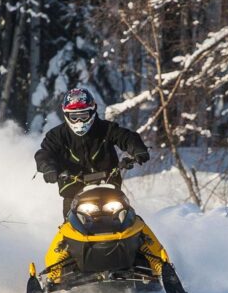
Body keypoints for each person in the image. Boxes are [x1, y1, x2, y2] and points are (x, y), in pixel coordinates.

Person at [35, 88, 150, 217]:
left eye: (83, 116)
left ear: (92, 111)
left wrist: (138, 150)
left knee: (130, 220)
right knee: (69, 229)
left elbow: (126, 137)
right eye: (74, 117)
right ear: (66, 115)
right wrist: (48, 168)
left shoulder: (106, 129)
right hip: (73, 192)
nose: (79, 121)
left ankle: (145, 237)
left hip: (108, 187)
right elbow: (45, 153)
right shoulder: (57, 135)